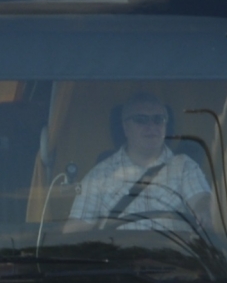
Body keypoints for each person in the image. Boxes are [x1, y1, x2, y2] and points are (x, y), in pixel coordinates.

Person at [66, 93, 212, 233]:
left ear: (166, 124)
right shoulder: (100, 175)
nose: (151, 126)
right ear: (125, 127)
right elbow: (74, 231)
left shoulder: (184, 166)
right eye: (141, 120)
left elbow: (201, 200)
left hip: (173, 256)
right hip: (119, 257)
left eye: (158, 119)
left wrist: (204, 211)